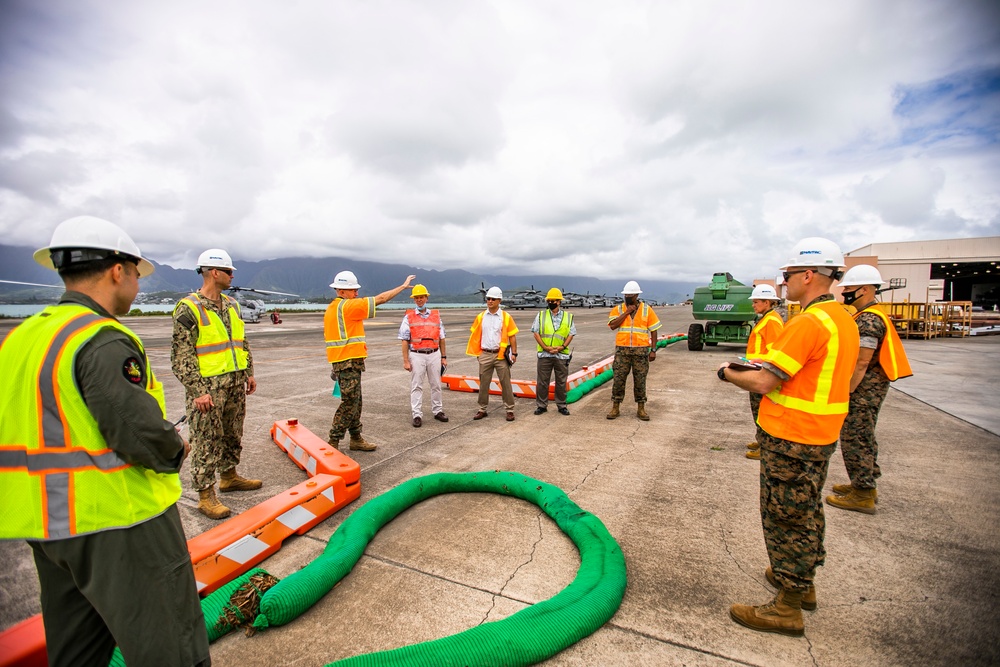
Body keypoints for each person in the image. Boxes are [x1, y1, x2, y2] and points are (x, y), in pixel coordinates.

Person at [0, 216, 210, 667]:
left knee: (78, 650)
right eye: (137, 273)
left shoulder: (23, 337)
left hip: (46, 526)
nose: (136, 284)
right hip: (119, 521)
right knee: (170, 644)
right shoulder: (98, 338)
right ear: (118, 271)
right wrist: (175, 448)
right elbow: (136, 432)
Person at [717, 237, 860, 637]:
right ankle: (802, 582)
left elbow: (764, 380)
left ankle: (787, 605)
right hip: (819, 434)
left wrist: (728, 372)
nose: (785, 283)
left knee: (785, 518)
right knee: (807, 509)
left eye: (789, 275)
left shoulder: (808, 322)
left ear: (809, 275)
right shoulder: (842, 319)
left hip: (793, 436)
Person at [172, 248, 259, 521]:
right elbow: (181, 356)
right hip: (208, 388)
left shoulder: (232, 305)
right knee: (205, 440)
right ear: (214, 272)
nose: (233, 276)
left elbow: (241, 341)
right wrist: (197, 391)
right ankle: (206, 494)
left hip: (234, 382)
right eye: (229, 271)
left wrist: (249, 371)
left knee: (232, 433)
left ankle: (229, 476)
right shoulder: (188, 307)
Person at [826, 264, 913, 514]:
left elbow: (863, 361)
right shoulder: (867, 315)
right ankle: (865, 484)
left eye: (849, 289)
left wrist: (847, 390)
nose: (845, 294)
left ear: (865, 289)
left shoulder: (869, 320)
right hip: (870, 388)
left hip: (864, 389)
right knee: (863, 435)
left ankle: (862, 492)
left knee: (856, 438)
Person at [325, 270, 416, 450]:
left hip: (345, 361)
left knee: (356, 400)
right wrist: (403, 287)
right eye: (353, 290)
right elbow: (380, 299)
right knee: (350, 402)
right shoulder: (347, 306)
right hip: (347, 362)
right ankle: (333, 440)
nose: (356, 293)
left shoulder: (333, 308)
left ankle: (356, 438)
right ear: (342, 291)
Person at [607, 280, 661, 421]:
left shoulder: (646, 309)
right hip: (622, 351)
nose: (628, 297)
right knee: (618, 379)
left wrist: (653, 349)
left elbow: (654, 330)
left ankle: (641, 408)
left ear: (637, 295)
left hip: (641, 351)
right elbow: (613, 325)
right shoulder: (618, 309)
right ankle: (615, 407)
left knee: (640, 380)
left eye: (631, 295)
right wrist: (626, 312)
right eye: (626, 295)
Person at [743, 284, 785, 460]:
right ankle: (761, 440)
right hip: (757, 368)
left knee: (762, 409)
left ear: (767, 302)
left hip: (763, 371)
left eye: (756, 301)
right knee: (758, 409)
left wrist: (762, 362)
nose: (753, 305)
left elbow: (776, 349)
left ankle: (766, 446)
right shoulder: (766, 319)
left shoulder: (772, 321)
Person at [399, 284, 448, 427]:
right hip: (417, 354)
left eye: (421, 297)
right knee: (416, 385)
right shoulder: (409, 317)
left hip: (434, 353)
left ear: (426, 298)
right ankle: (417, 414)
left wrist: (443, 357)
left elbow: (442, 338)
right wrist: (406, 360)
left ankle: (438, 411)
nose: (419, 300)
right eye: (416, 298)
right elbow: (404, 340)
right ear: (414, 300)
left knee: (436, 384)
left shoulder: (436, 316)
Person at [466, 286, 519, 422]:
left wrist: (514, 353)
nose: (489, 301)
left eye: (493, 299)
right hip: (485, 354)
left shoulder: (506, 317)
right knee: (484, 383)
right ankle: (482, 409)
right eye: (488, 299)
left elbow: (512, 336)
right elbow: (476, 335)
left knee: (505, 383)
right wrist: (479, 354)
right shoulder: (481, 316)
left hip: (500, 355)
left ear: (499, 300)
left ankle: (509, 409)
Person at [531, 288, 576, 416]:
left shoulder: (568, 317)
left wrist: (562, 347)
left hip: (561, 354)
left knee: (561, 382)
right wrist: (545, 347)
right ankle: (541, 405)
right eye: (549, 300)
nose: (551, 302)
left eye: (553, 300)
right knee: (542, 382)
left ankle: (561, 405)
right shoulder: (541, 315)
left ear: (559, 302)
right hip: (545, 354)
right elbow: (536, 332)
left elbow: (571, 333)